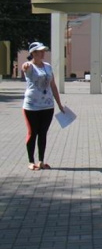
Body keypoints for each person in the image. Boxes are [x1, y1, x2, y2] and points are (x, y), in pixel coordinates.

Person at [22, 42, 64, 170]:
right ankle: (31, 161)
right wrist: (25, 65)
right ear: (33, 53)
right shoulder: (30, 67)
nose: (43, 53)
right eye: (40, 51)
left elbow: (53, 86)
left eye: (43, 51)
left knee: (43, 133)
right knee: (32, 132)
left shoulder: (48, 67)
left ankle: (41, 161)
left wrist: (59, 104)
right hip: (32, 106)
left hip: (47, 106)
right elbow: (25, 66)